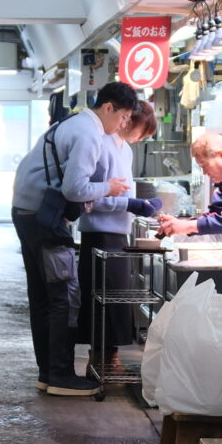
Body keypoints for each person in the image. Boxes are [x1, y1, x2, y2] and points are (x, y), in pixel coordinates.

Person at [10, 80, 140, 395]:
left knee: (42, 297)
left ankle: (48, 372)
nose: (123, 125)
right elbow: (74, 189)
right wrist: (109, 187)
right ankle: (61, 376)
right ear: (108, 108)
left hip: (28, 212)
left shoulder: (73, 122)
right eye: (123, 117)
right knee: (64, 296)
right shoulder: (89, 134)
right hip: (45, 219)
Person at [78, 98, 160, 376]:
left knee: (117, 301)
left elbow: (124, 191)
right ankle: (100, 361)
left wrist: (141, 204)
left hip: (119, 231)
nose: (140, 138)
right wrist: (130, 204)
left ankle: (110, 360)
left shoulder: (125, 149)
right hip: (99, 231)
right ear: (128, 120)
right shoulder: (101, 144)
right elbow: (90, 196)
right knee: (102, 300)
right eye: (141, 131)